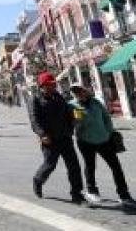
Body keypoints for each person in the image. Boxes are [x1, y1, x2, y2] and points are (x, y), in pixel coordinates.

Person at [69, 85, 136, 208]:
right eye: (75, 92)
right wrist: (76, 123)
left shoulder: (96, 102)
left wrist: (108, 132)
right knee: (90, 166)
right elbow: (69, 123)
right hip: (85, 141)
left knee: (116, 167)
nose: (78, 93)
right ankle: (92, 191)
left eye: (80, 90)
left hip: (104, 139)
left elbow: (106, 117)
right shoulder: (71, 105)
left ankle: (124, 195)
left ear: (85, 91)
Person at [29, 72, 85, 204]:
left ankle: (76, 193)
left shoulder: (58, 97)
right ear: (42, 86)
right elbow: (34, 120)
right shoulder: (35, 99)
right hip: (49, 139)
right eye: (49, 85)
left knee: (74, 166)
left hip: (65, 137)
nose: (53, 87)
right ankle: (38, 180)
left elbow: (67, 113)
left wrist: (74, 120)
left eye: (53, 84)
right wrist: (42, 134)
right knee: (50, 165)